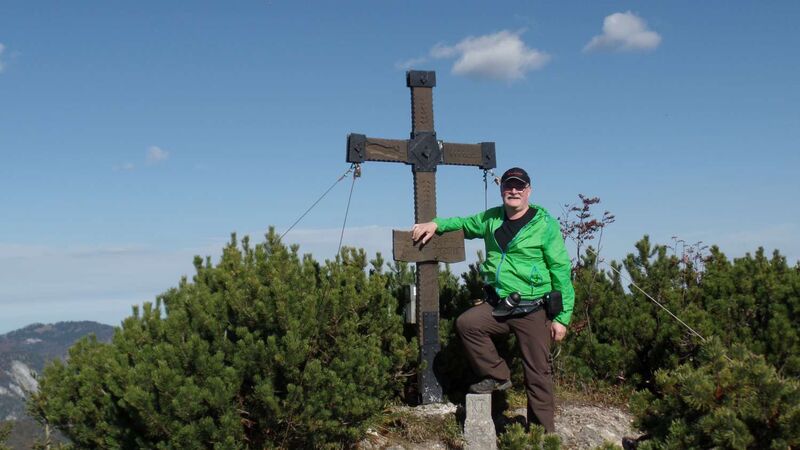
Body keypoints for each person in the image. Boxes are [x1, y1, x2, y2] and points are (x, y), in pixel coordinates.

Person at [410, 167, 574, 433]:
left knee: (538, 375)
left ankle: (543, 435)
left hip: (533, 308)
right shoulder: (492, 219)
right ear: (502, 190)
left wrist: (562, 317)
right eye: (509, 186)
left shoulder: (544, 224)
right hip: (500, 305)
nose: (514, 191)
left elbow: (560, 270)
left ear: (528, 191)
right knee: (468, 324)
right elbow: (463, 224)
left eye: (519, 187)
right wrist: (436, 224)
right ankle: (498, 375)